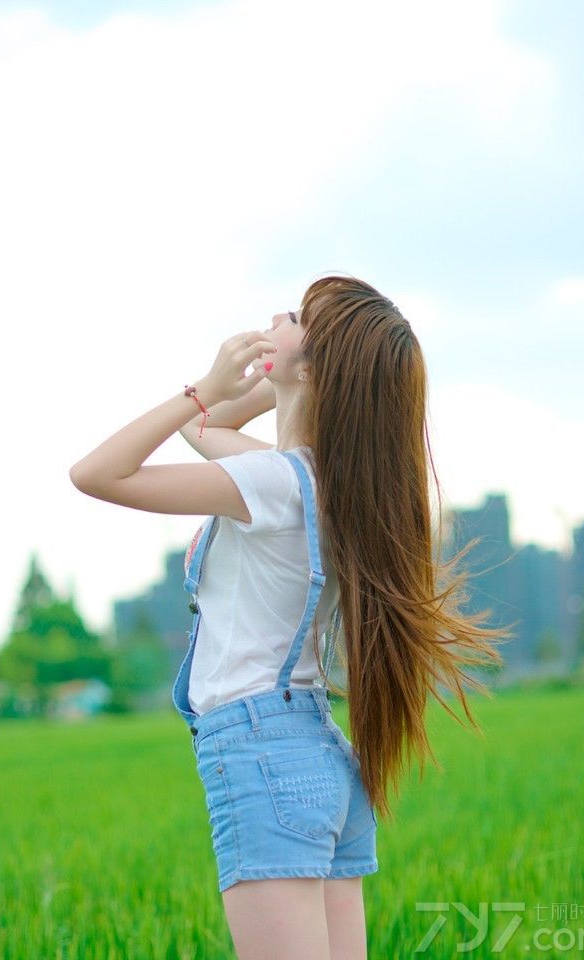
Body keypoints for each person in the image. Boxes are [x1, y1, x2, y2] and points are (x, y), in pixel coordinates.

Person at [69, 272, 514, 960]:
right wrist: (270, 382)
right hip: (317, 756)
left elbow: (97, 473)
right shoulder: (326, 483)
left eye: (298, 316)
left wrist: (208, 388)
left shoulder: (273, 482)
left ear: (314, 367)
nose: (276, 312)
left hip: (261, 753)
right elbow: (206, 432)